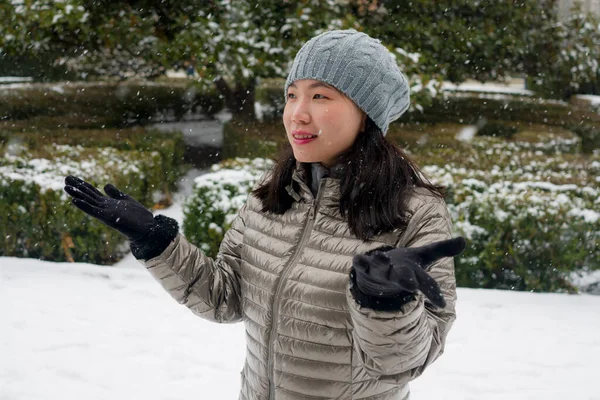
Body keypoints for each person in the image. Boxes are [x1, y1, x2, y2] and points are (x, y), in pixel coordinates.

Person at [64, 29, 466, 400]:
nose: (297, 114)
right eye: (292, 95)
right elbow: (225, 298)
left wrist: (384, 302)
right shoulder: (273, 194)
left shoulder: (415, 212)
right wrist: (157, 242)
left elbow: (407, 362)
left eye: (320, 96)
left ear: (367, 114)